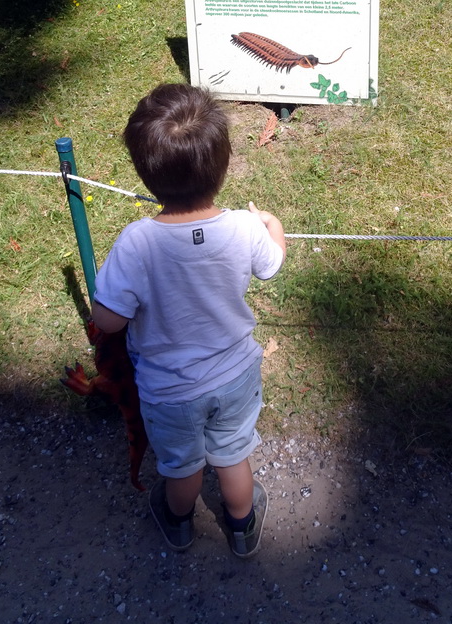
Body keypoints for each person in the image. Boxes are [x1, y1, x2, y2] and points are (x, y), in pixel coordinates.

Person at [91, 83, 286, 557]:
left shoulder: (138, 243)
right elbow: (271, 264)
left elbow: (108, 322)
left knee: (182, 467)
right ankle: (241, 526)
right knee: (233, 456)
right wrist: (273, 225)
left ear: (144, 171)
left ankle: (179, 522)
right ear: (223, 164)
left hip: (170, 388)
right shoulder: (243, 225)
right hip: (237, 373)